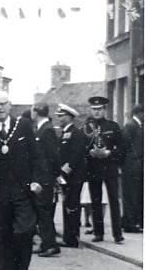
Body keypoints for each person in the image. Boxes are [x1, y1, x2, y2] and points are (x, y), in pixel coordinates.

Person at [0, 90, 42, 270]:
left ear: (10, 105)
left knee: (25, 231)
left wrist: (36, 180)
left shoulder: (24, 126)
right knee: (0, 236)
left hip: (22, 190)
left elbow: (36, 156)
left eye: (2, 104)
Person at [84, 96, 128, 243]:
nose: (96, 112)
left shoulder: (113, 126)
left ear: (104, 109)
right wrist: (90, 153)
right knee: (95, 200)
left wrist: (109, 153)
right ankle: (98, 232)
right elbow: (81, 148)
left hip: (109, 167)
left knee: (114, 200)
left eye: (99, 109)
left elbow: (122, 148)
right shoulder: (86, 127)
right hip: (93, 168)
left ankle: (117, 233)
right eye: (94, 109)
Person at [30, 102, 62, 257]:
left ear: (36, 112)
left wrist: (55, 175)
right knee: (41, 210)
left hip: (45, 177)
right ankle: (45, 243)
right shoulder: (42, 129)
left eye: (32, 110)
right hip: (42, 176)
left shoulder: (47, 130)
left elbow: (53, 156)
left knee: (44, 211)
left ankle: (50, 245)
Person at [55, 104, 87, 247]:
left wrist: (63, 172)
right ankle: (68, 237)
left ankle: (73, 238)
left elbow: (75, 156)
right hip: (67, 177)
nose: (59, 119)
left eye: (61, 116)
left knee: (72, 206)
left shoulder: (76, 133)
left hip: (74, 176)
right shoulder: (64, 133)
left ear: (68, 117)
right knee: (67, 204)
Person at [121, 104, 144, 233]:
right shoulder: (130, 126)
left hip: (137, 166)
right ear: (140, 113)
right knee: (131, 195)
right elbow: (123, 146)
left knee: (136, 194)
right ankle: (129, 223)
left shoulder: (138, 126)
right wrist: (124, 163)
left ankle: (133, 221)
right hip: (131, 166)